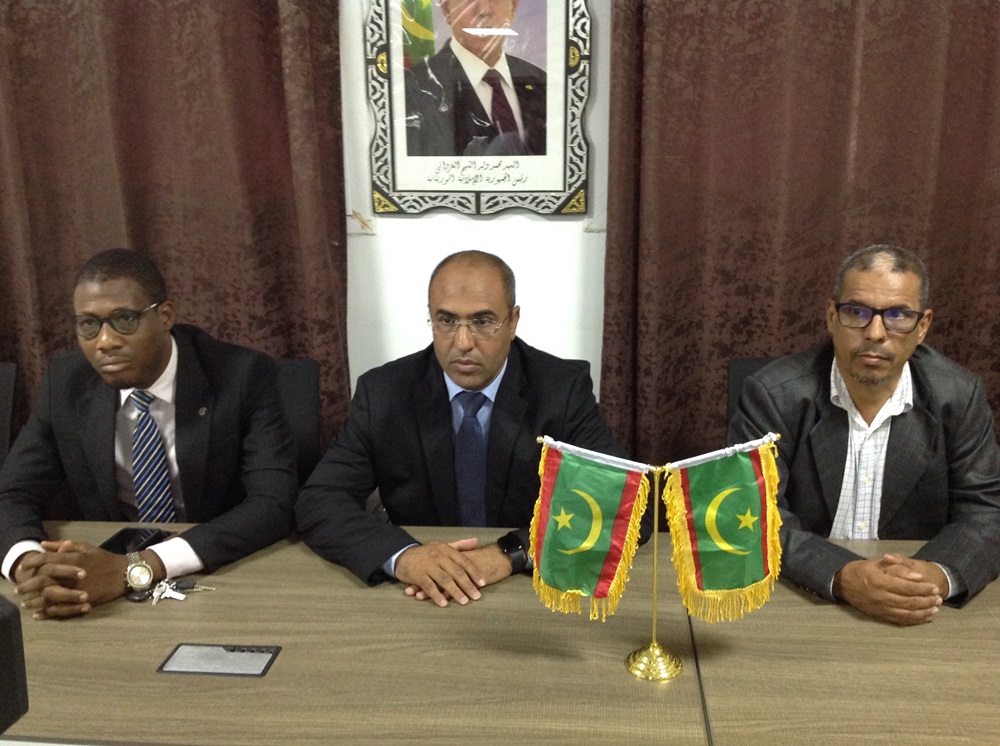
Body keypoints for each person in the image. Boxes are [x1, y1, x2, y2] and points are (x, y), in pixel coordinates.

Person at [296, 250, 642, 607]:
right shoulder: (384, 393)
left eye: (483, 321)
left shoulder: (561, 390)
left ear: (513, 321)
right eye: (446, 321)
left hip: (527, 590)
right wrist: (404, 557)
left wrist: (512, 553)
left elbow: (625, 503)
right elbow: (319, 499)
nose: (463, 342)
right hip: (418, 593)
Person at [0, 249, 298, 619]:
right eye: (89, 324)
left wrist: (138, 567)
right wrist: (30, 564)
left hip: (219, 576)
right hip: (101, 582)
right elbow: (12, 492)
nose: (105, 341)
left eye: (124, 320)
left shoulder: (242, 375)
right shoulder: (66, 383)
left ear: (165, 316)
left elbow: (273, 503)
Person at [729, 244, 1000, 625]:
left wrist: (936, 575)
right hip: (801, 600)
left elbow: (986, 511)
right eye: (856, 312)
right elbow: (752, 514)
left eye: (898, 315)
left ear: (923, 326)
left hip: (919, 607)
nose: (875, 333)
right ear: (831, 316)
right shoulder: (774, 394)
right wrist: (841, 576)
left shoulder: (958, 397)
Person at [404, 0, 546, 157]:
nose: (484, 10)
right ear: (446, 10)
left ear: (513, 7)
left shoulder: (542, 82)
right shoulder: (410, 92)